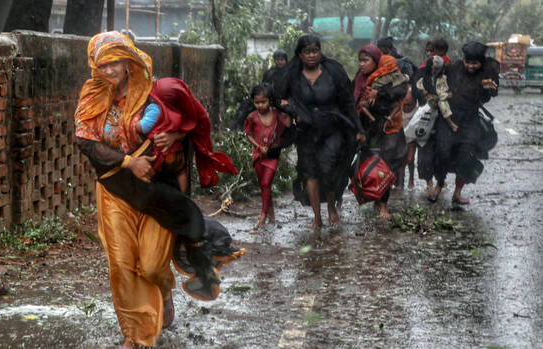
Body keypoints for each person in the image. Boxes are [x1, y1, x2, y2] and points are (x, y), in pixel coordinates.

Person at [74, 31, 243, 348]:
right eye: (102, 65)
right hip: (115, 188)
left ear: (128, 62)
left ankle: (164, 291)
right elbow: (86, 141)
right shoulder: (92, 97)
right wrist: (127, 162)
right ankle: (134, 335)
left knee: (151, 265)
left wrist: (176, 136)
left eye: (114, 63)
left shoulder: (153, 94)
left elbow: (188, 120)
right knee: (121, 266)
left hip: (156, 192)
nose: (108, 71)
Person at [277, 34, 365, 229]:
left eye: (315, 51)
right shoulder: (292, 74)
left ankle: (331, 207)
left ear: (319, 52)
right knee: (310, 172)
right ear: (299, 55)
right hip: (306, 131)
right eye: (306, 52)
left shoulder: (334, 71)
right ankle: (317, 218)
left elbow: (348, 102)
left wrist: (358, 128)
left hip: (333, 127)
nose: (311, 55)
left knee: (329, 169)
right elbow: (278, 98)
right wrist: (294, 111)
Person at [431, 42, 499, 204]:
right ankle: (439, 185)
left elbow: (489, 96)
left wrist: (488, 89)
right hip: (448, 118)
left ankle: (457, 192)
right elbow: (436, 81)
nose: (470, 66)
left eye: (475, 63)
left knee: (467, 155)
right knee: (442, 152)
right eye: (468, 62)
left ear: (481, 62)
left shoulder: (488, 72)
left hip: (470, 120)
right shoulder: (453, 68)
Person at [354, 44, 408, 218]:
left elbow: (400, 90)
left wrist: (380, 91)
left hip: (389, 125)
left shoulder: (388, 74)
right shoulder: (360, 78)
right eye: (360, 61)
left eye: (366, 60)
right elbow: (353, 100)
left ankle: (383, 204)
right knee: (368, 163)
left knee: (386, 163)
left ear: (376, 61)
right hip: (369, 126)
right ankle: (372, 196)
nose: (362, 64)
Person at [244, 83, 291, 227]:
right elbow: (248, 134)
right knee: (264, 186)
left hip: (272, 154)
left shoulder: (277, 114)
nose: (260, 105)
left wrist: (287, 108)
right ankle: (271, 213)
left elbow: (288, 124)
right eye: (257, 102)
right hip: (258, 155)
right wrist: (257, 146)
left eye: (263, 102)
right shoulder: (252, 117)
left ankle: (263, 217)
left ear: (270, 100)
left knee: (265, 183)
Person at [416, 55, 459, 202]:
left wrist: (448, 96)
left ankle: (439, 184)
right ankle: (429, 183)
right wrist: (425, 95)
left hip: (442, 122)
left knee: (443, 153)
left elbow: (453, 93)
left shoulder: (447, 79)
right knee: (424, 155)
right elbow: (416, 92)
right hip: (426, 120)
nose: (434, 70)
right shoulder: (423, 79)